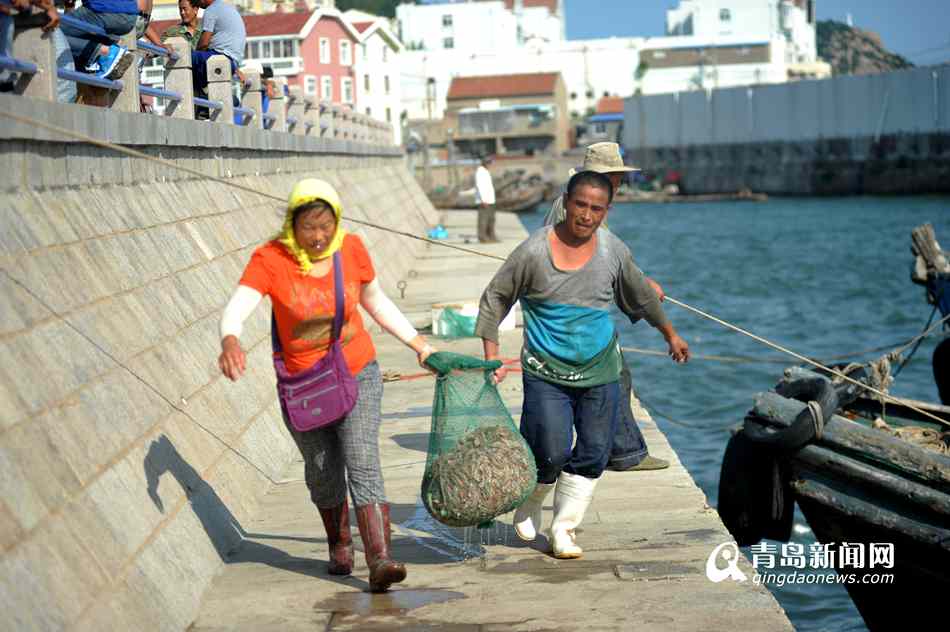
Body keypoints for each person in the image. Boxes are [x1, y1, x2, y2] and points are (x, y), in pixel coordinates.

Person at [217, 179, 435, 592]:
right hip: (304, 386)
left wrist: (420, 346)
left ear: (337, 222)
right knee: (323, 473)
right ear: (292, 225)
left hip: (357, 371)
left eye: (326, 226)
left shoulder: (350, 249)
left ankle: (380, 559)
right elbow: (237, 309)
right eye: (309, 227)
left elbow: (376, 301)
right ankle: (339, 542)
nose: (318, 237)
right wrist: (231, 340)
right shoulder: (271, 259)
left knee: (362, 458)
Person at [475, 170, 689, 559]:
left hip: (600, 370)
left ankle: (564, 529)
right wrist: (492, 357)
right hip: (546, 371)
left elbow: (640, 297)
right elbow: (495, 298)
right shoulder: (534, 251)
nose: (587, 215)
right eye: (580, 205)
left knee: (593, 451)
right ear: (566, 202)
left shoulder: (613, 251)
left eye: (597, 209)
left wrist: (670, 334)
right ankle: (534, 494)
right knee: (552, 451)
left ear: (606, 211)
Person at [544, 142, 670, 473]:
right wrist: (642, 288)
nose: (620, 183)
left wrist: (639, 281)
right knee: (614, 375)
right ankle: (624, 452)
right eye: (616, 176)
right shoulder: (582, 210)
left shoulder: (572, 203)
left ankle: (608, 449)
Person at [59, 0, 137, 79]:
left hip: (104, 10)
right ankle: (103, 50)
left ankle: (105, 53)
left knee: (51, 32)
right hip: (130, 17)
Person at [189, 0, 243, 100]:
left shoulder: (211, 10)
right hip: (232, 61)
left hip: (220, 55)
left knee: (186, 57)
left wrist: (195, 53)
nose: (198, 5)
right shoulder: (227, 7)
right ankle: (212, 97)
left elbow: (204, 42)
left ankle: (193, 98)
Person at [475, 155, 497, 243]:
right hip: (484, 200)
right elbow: (480, 186)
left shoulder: (486, 171)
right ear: (486, 163)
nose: (491, 165)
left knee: (491, 219)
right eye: (490, 163)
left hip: (490, 199)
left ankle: (491, 236)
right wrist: (483, 199)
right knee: (483, 219)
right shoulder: (480, 172)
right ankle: (482, 237)